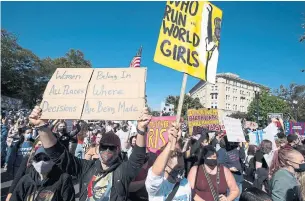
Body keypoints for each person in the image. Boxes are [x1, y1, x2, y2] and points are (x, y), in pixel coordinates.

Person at [29, 106, 150, 201]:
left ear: (118, 150)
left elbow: (138, 158)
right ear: (98, 148)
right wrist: (42, 127)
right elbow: (59, 155)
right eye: (104, 146)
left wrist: (141, 129)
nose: (107, 150)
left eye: (111, 148)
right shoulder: (86, 168)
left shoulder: (123, 171)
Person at [145, 123, 192, 201]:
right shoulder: (157, 185)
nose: (178, 160)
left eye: (180, 155)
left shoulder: (185, 183)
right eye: (174, 155)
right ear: (165, 163)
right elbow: (155, 174)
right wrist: (171, 143)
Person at [10, 147, 75, 201]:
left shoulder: (63, 179)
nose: (41, 162)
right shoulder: (26, 180)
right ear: (33, 161)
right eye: (38, 159)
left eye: (46, 158)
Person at [217, 136, 245, 200]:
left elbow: (242, 156)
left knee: (238, 197)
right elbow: (219, 164)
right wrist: (229, 168)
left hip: (239, 177)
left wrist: (241, 147)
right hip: (230, 179)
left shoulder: (235, 148)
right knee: (231, 197)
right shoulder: (222, 151)